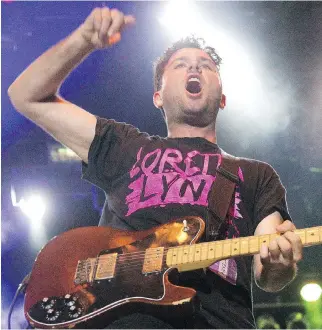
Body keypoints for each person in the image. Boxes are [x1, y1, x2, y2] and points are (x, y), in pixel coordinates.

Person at [8, 6, 303, 329]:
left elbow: (270, 273)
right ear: (158, 96)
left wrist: (279, 261)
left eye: (206, 66)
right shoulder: (124, 146)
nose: (195, 66)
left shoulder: (256, 174)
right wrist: (83, 41)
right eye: (181, 64)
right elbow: (26, 96)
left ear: (222, 98)